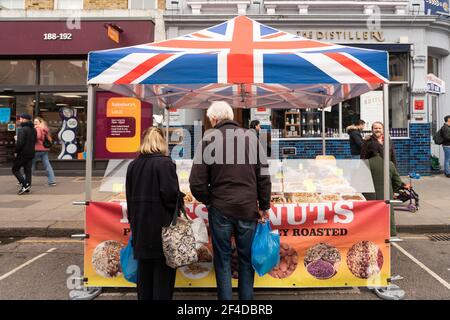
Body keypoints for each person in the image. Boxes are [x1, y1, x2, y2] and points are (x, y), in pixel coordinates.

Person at [189, 101, 272, 300]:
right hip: (247, 208)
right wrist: (264, 205)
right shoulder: (252, 138)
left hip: (220, 208)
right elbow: (264, 175)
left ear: (215, 119)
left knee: (223, 259)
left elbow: (196, 182)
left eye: (211, 120)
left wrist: (210, 200)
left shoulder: (209, 139)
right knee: (245, 258)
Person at [125, 127, 180, 300]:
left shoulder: (133, 165)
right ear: (161, 142)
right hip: (162, 227)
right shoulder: (165, 163)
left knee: (144, 274)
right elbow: (171, 196)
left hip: (140, 225)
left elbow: (129, 196)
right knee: (163, 276)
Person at [362, 140, 407, 236]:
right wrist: (391, 190)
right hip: (386, 195)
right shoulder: (389, 164)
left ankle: (373, 236)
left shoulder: (365, 163)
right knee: (388, 217)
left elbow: (359, 182)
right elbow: (398, 182)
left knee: (371, 218)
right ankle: (390, 236)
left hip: (369, 197)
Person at [12, 113, 36, 195]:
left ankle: (25, 185)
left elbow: (20, 143)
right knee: (27, 170)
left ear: (25, 119)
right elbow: (34, 141)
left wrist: (16, 151)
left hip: (23, 153)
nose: (20, 120)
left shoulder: (22, 129)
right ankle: (27, 186)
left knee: (15, 169)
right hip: (31, 152)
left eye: (21, 119)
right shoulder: (34, 129)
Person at [32, 117, 56, 186]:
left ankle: (25, 180)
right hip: (44, 149)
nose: (35, 122)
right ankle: (52, 181)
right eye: (34, 121)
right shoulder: (45, 128)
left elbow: (38, 136)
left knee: (30, 164)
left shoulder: (38, 128)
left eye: (36, 121)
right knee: (47, 165)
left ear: (40, 122)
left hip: (37, 149)